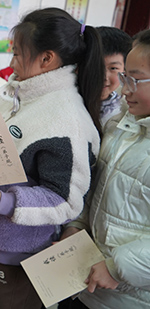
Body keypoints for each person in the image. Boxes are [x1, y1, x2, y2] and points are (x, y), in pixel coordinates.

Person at [0, 8, 103, 309]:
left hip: (19, 254)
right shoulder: (15, 94)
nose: (11, 63)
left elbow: (65, 200)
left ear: (47, 59)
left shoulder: (66, 118)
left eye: (17, 54)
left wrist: (2, 200)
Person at [60, 29, 150, 309]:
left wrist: (115, 267)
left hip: (128, 296)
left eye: (134, 79)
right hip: (88, 284)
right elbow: (98, 189)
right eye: (126, 78)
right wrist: (78, 225)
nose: (124, 89)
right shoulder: (121, 124)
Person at [97, 26, 132, 126]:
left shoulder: (124, 113)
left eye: (113, 68)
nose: (104, 77)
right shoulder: (69, 101)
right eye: (96, 66)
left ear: (124, 71)